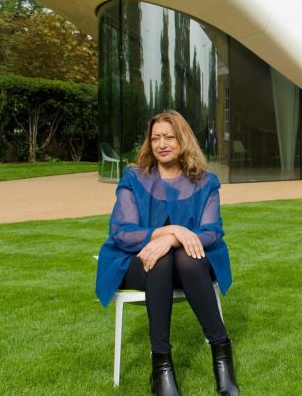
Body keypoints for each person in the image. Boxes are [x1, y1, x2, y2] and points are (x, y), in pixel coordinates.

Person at [95, 110, 239, 396]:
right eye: (156, 138)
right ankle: (161, 365)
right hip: (139, 264)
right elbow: (122, 231)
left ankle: (221, 353)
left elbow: (211, 231)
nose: (162, 144)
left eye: (169, 137)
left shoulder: (205, 182)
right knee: (159, 260)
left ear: (183, 140)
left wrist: (175, 239)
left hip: (192, 267)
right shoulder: (134, 178)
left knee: (186, 256)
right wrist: (169, 233)